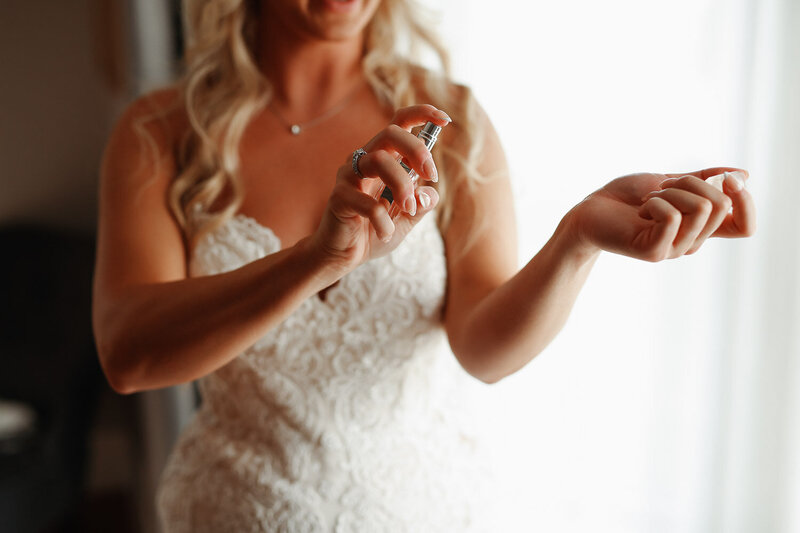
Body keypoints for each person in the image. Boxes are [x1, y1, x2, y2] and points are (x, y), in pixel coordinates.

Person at [91, 0, 756, 530]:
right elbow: (128, 354)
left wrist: (575, 238)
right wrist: (316, 260)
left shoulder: (451, 118)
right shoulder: (160, 131)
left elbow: (484, 350)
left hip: (416, 512)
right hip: (234, 514)